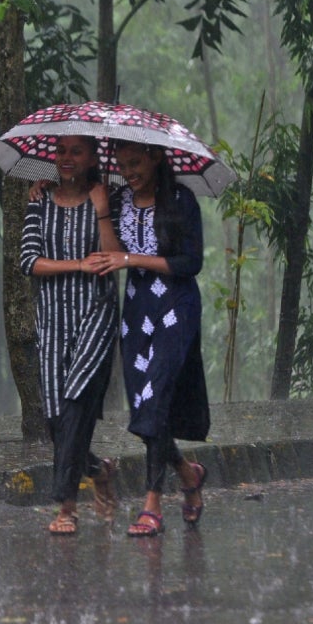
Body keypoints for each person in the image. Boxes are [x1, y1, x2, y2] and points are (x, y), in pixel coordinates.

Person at [85, 140, 210, 536]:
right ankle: (188, 474)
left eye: (135, 163)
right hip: (137, 309)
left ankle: (152, 501)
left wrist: (132, 259)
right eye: (122, 165)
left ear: (157, 157)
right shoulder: (118, 200)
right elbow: (110, 256)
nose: (128, 171)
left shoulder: (181, 200)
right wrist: (103, 211)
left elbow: (191, 262)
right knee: (145, 405)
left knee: (156, 397)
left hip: (177, 307)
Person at [19, 135, 123, 535]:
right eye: (61, 151)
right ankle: (99, 469)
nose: (66, 158)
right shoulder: (39, 199)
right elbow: (29, 262)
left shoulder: (109, 196)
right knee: (54, 419)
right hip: (52, 317)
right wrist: (78, 264)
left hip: (96, 313)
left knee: (77, 399)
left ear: (93, 156)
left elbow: (114, 259)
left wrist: (101, 211)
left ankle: (66, 505)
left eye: (76, 151)